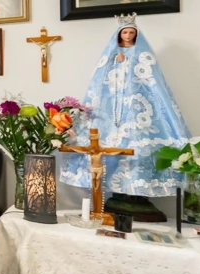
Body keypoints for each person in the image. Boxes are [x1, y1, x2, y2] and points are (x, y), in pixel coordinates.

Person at [59, 15, 190, 219]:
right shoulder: (111, 54)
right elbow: (99, 80)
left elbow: (152, 80)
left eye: (131, 33)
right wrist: (116, 61)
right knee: (107, 146)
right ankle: (118, 193)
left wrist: (129, 62)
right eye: (125, 32)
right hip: (111, 107)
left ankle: (137, 194)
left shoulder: (143, 55)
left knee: (139, 148)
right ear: (119, 35)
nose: (128, 36)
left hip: (138, 107)